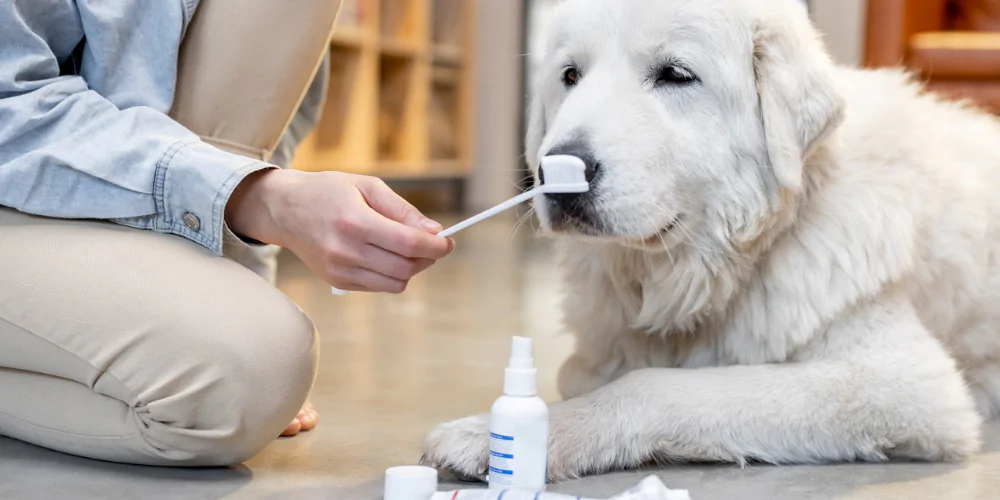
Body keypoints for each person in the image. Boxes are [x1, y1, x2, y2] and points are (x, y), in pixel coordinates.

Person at [0, 1, 454, 466]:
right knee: (236, 388)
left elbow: (266, 124)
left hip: (104, 200)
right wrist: (259, 199)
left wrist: (240, 263)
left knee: (263, 368)